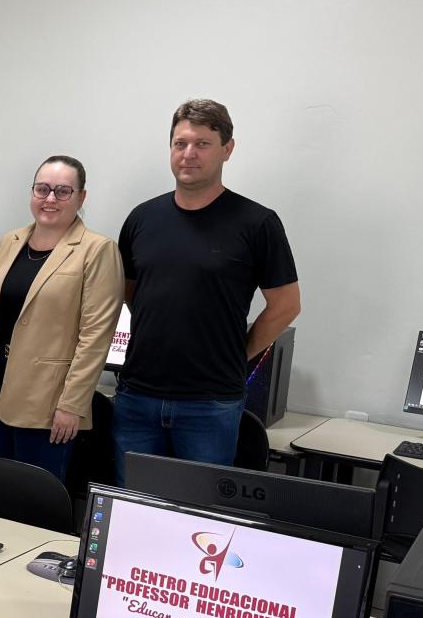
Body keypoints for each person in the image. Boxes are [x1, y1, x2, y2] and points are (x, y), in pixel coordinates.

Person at [113, 99, 300, 482]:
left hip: (210, 403)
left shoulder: (257, 223)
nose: (189, 154)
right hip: (137, 397)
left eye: (202, 144)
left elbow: (285, 305)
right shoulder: (142, 218)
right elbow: (132, 292)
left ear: (227, 149)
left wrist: (238, 354)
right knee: (131, 511)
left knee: (199, 525)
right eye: (180, 144)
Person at [0, 155, 123, 483]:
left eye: (62, 191)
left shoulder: (97, 250)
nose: (50, 199)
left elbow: (95, 337)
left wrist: (73, 404)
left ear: (81, 197)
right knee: (1, 492)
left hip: (50, 403)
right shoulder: (11, 241)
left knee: (36, 499)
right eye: (42, 189)